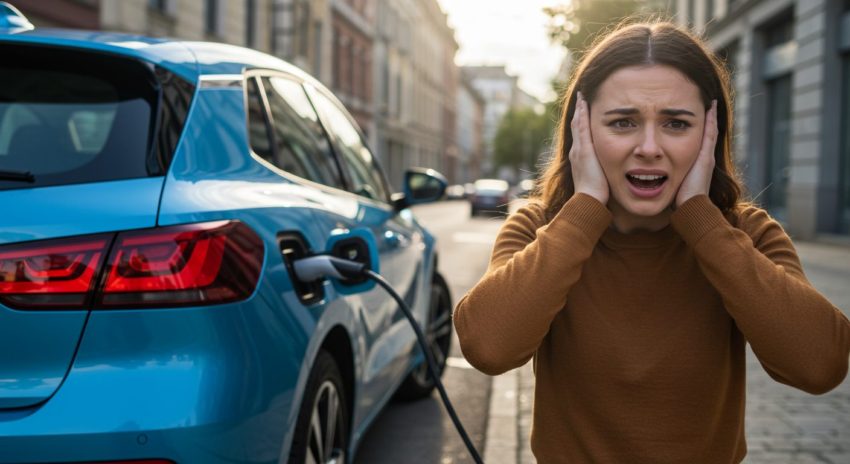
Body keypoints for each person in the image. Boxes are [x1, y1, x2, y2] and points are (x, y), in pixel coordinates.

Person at [453, 21, 850, 463]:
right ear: (580, 132)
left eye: (677, 124)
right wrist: (584, 208)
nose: (648, 147)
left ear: (710, 134)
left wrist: (702, 220)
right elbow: (488, 347)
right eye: (622, 122)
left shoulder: (746, 234)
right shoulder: (539, 228)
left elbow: (819, 366)